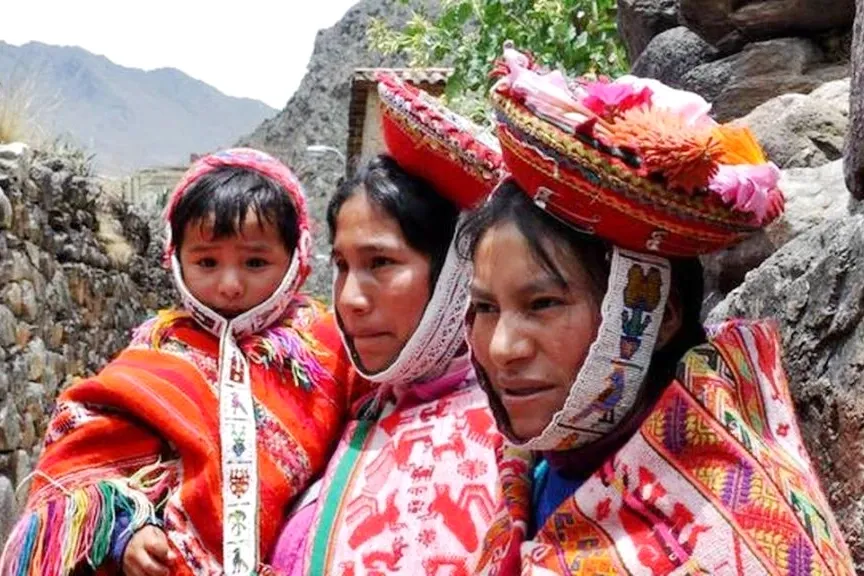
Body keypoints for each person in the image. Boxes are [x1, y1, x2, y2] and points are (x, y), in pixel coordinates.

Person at [462, 46, 856, 575]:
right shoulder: (528, 473)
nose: (503, 347)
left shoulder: (732, 541)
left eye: (543, 304)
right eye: (485, 307)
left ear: (656, 314)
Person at [0, 148, 352, 576]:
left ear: (296, 258)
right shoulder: (158, 352)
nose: (230, 285)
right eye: (206, 261)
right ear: (176, 259)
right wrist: (125, 529)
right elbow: (82, 459)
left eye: (256, 262)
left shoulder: (326, 349)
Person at [270, 72, 506, 575]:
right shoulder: (352, 409)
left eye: (380, 264)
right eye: (341, 266)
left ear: (453, 272)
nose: (350, 299)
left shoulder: (508, 437)